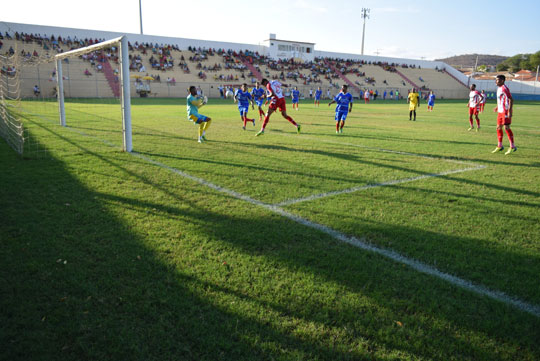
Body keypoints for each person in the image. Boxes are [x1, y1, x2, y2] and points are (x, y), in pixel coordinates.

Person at [492, 75, 516, 154]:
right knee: (498, 128)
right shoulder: (499, 88)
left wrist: (509, 111)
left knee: (506, 127)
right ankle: (500, 146)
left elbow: (511, 99)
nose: (496, 81)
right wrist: (497, 107)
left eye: (497, 80)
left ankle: (512, 146)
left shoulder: (504, 88)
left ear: (502, 80)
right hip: (500, 111)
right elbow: (502, 99)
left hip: (505, 111)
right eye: (495, 80)